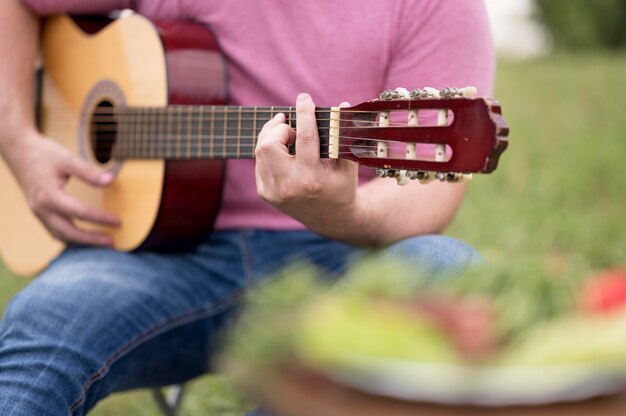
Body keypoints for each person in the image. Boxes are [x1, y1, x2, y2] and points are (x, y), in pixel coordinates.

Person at [0, 0, 494, 414]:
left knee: (448, 268)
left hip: (341, 261)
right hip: (159, 252)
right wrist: (19, 139)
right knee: (46, 322)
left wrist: (342, 213)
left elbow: (431, 195)